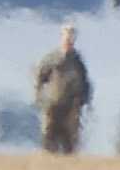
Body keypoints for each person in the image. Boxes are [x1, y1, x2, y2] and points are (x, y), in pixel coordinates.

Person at [35, 25, 92, 156]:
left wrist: (83, 101)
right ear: (62, 38)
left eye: (71, 39)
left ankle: (68, 164)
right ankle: (48, 162)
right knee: (49, 135)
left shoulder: (77, 61)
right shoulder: (52, 58)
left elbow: (84, 82)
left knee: (69, 139)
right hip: (52, 104)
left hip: (70, 107)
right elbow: (40, 77)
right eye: (67, 38)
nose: (69, 42)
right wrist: (38, 96)